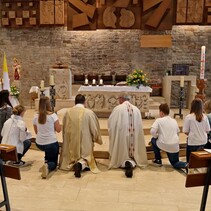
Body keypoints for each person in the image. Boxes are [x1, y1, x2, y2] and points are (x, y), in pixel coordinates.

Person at [59, 94, 102, 178]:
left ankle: (74, 163)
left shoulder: (67, 112)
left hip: (71, 143)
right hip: (84, 142)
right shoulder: (89, 113)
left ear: (75, 102)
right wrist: (96, 138)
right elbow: (94, 129)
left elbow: (64, 128)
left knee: (70, 156)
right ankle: (80, 164)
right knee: (86, 158)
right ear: (85, 102)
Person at [108, 93, 148, 178]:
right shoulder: (136, 109)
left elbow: (111, 124)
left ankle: (125, 162)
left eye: (119, 99)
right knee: (133, 151)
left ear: (121, 99)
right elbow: (139, 126)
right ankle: (130, 162)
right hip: (133, 136)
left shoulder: (117, 109)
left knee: (121, 148)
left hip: (122, 136)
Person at [150, 103, 188, 170]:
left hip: (163, 144)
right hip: (174, 145)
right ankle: (186, 164)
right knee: (175, 163)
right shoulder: (174, 121)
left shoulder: (159, 120)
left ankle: (158, 160)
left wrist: (156, 137)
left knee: (153, 140)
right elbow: (178, 133)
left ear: (161, 112)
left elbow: (152, 131)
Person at [33, 96, 61, 179]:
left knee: (48, 149)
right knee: (54, 163)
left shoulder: (35, 116)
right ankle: (49, 165)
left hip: (39, 143)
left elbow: (36, 132)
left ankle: (46, 161)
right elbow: (58, 130)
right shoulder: (52, 116)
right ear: (49, 104)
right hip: (51, 143)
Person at [183, 98, 210, 162]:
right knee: (201, 161)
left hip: (193, 142)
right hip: (203, 142)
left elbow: (185, 131)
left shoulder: (189, 117)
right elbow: (207, 130)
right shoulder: (205, 117)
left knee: (191, 161)